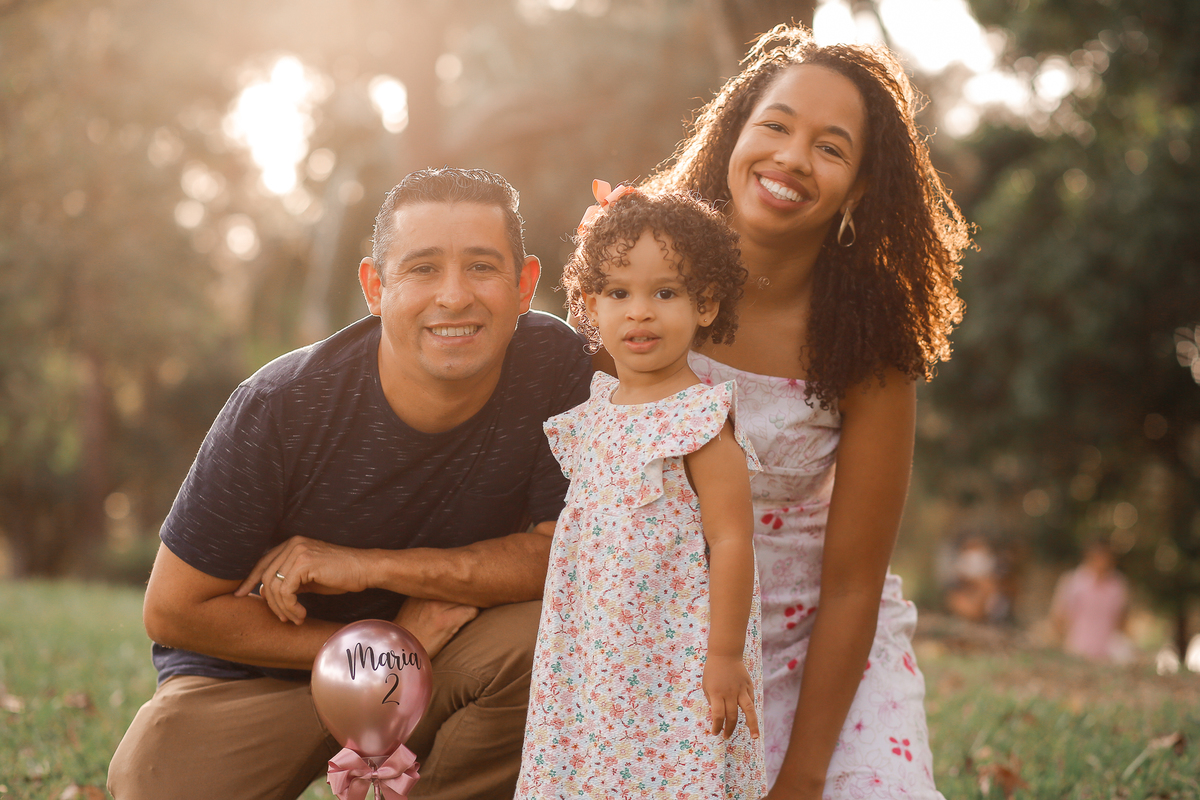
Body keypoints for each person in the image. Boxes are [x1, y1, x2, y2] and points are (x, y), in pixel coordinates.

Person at [107, 167, 594, 800]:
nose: (454, 296)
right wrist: (383, 648)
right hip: (271, 677)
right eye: (422, 268)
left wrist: (368, 567)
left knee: (544, 638)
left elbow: (559, 555)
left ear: (525, 284)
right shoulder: (280, 405)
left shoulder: (553, 365)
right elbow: (173, 610)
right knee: (155, 784)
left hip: (446, 655)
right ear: (375, 286)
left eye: (481, 267)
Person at [646, 24, 970, 799]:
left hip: (823, 651)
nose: (792, 158)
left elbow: (854, 585)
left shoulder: (869, 344)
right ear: (734, 134)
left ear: (857, 187)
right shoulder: (640, 282)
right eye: (776, 126)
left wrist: (802, 776)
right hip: (666, 642)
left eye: (830, 148)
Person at [515, 187, 766, 798]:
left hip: (676, 656)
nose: (640, 313)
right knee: (593, 768)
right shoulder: (594, 416)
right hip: (594, 654)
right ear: (590, 305)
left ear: (705, 304)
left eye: (666, 293)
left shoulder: (700, 422)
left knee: (672, 774)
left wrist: (725, 655)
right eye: (619, 293)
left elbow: (733, 541)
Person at [1049, 539, 1132, 663]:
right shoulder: (1072, 581)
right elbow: (1058, 617)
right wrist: (1064, 642)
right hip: (1075, 652)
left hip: (1107, 657)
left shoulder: (1118, 585)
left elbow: (1122, 619)